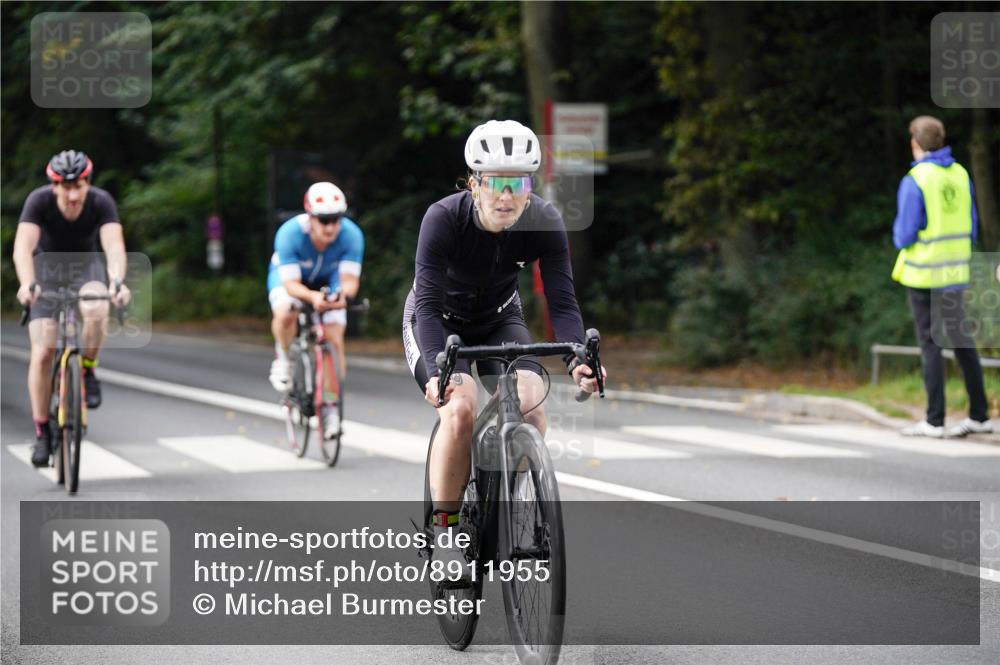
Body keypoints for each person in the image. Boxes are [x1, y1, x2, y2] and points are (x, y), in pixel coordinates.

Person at [402, 119, 606, 576]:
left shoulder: (544, 221)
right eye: (496, 182)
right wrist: (437, 377)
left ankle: (506, 502)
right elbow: (428, 308)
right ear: (474, 183)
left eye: (519, 183)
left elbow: (563, 303)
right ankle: (445, 528)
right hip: (436, 320)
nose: (507, 195)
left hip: (499, 318)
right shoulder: (442, 218)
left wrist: (577, 359)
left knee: (531, 406)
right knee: (459, 410)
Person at [13, 150, 132, 466]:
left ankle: (88, 370)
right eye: (65, 187)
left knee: (96, 309)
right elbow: (23, 247)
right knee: (42, 352)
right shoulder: (38, 201)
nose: (72, 194)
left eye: (78, 185)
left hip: (85, 270)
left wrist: (117, 281)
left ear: (87, 184)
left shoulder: (100, 201)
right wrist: (27, 284)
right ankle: (42, 432)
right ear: (54, 187)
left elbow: (114, 246)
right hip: (45, 274)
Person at [891, 116, 991, 438]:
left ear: (915, 143)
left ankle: (935, 420)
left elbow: (904, 234)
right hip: (956, 271)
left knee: (930, 345)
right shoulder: (961, 174)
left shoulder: (917, 179)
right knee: (963, 342)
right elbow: (972, 226)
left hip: (924, 275)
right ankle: (979, 415)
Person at [267, 181, 364, 439]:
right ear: (310, 218)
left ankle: (330, 407)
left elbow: (349, 283)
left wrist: (340, 296)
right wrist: (310, 297)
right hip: (292, 279)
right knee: (286, 310)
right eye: (324, 220)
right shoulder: (289, 233)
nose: (331, 226)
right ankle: (284, 358)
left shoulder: (351, 235)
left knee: (334, 337)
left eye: (336, 219)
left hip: (328, 280)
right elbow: (290, 284)